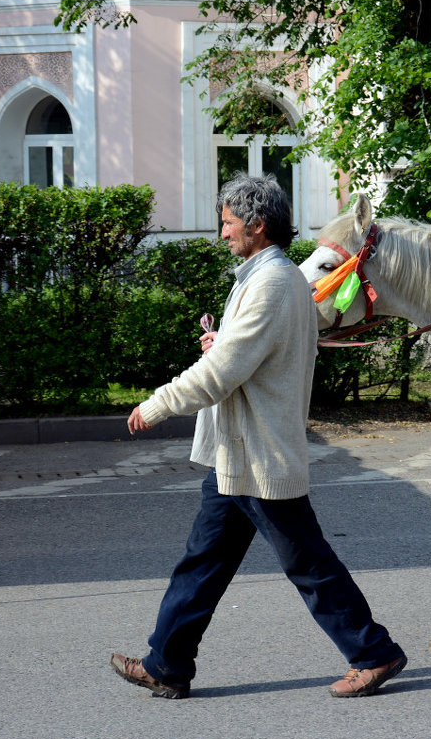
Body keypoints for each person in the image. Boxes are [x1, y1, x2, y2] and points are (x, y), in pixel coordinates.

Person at [111, 173, 406, 700]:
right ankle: (167, 664)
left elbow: (223, 373)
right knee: (202, 564)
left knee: (308, 563)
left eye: (227, 223)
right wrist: (224, 342)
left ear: (257, 225)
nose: (222, 233)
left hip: (257, 453)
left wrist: (156, 405)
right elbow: (248, 355)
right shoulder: (269, 276)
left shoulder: (271, 282)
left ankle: (374, 654)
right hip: (240, 453)